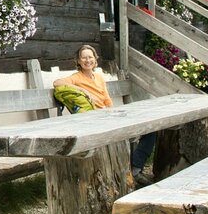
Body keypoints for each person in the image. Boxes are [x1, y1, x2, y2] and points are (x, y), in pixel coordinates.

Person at [53, 44, 156, 188]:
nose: (87, 60)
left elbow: (107, 100)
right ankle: (127, 175)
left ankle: (136, 168)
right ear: (78, 61)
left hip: (107, 116)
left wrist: (113, 114)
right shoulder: (76, 77)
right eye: (83, 58)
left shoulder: (99, 77)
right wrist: (82, 89)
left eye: (90, 57)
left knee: (150, 128)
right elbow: (57, 83)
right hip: (95, 120)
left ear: (95, 60)